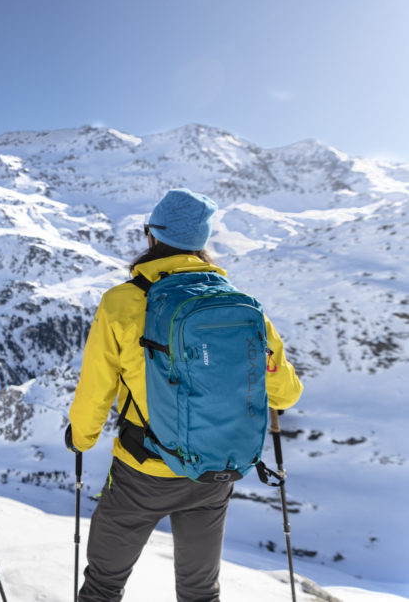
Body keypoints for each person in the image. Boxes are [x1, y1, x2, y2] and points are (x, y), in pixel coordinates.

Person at [66, 188, 303, 602]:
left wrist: (81, 438)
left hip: (142, 470)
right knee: (199, 592)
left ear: (152, 237)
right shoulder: (241, 306)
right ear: (201, 244)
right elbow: (286, 393)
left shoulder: (123, 301)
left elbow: (97, 387)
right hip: (213, 470)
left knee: (103, 585)